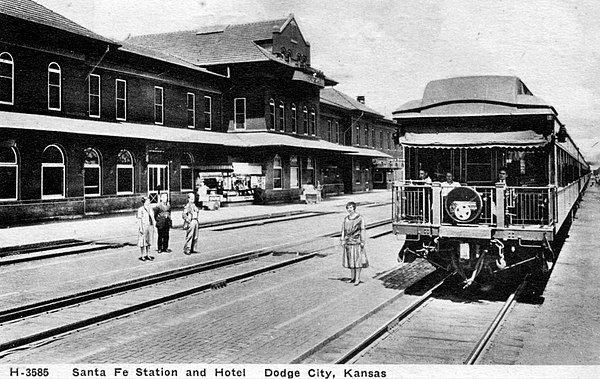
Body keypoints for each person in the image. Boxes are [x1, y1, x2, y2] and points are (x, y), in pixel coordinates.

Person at [340, 201, 368, 286]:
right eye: (348, 208)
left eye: (351, 208)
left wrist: (363, 241)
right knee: (350, 260)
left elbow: (363, 230)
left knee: (357, 261)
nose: (349, 210)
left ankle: (357, 279)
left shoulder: (360, 218)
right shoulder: (346, 219)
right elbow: (343, 230)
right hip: (348, 242)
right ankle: (352, 278)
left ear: (354, 208)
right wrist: (342, 239)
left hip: (357, 242)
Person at [136, 196, 156, 261]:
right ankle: (142, 255)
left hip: (150, 226)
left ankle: (148, 254)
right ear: (144, 202)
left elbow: (153, 218)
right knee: (142, 242)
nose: (149, 202)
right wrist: (140, 228)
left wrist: (154, 226)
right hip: (144, 227)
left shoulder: (151, 209)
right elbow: (139, 219)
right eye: (147, 201)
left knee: (149, 241)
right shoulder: (140, 209)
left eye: (149, 201)